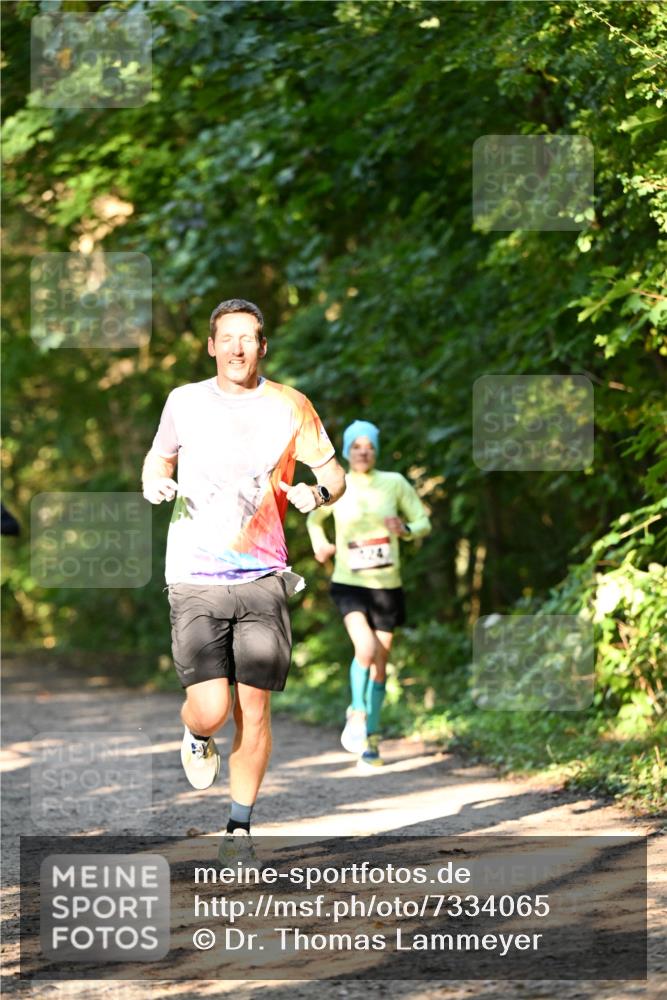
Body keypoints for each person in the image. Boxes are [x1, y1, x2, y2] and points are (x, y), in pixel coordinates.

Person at [142, 298, 345, 843]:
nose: (236, 348)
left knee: (254, 710)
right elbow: (158, 459)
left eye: (247, 338)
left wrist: (317, 492)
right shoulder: (184, 402)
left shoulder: (290, 405)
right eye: (226, 338)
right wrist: (153, 483)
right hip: (195, 573)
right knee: (212, 709)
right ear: (211, 346)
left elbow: (334, 475)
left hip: (263, 575)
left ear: (261, 346)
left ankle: (239, 827)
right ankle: (195, 732)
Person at [307, 420, 431, 768]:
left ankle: (372, 742)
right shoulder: (338, 484)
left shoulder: (394, 483)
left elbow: (423, 521)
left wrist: (404, 528)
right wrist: (320, 543)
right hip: (349, 583)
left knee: (380, 665)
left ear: (376, 451)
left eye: (370, 447)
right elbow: (314, 520)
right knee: (365, 647)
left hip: (387, 587)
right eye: (357, 446)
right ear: (347, 451)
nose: (363, 452)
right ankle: (358, 713)